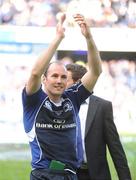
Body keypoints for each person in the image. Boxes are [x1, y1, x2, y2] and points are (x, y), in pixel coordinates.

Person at [22, 13, 102, 180]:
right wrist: (58, 38)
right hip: (43, 174)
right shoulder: (33, 100)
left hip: (69, 175)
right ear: (45, 79)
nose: (59, 80)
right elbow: (35, 72)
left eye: (64, 77)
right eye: (55, 76)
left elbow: (95, 72)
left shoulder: (73, 98)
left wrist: (89, 38)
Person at [66, 63, 132, 180]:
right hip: (69, 174)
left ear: (78, 83)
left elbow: (115, 146)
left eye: (65, 78)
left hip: (96, 175)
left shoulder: (102, 107)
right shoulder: (60, 105)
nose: (61, 82)